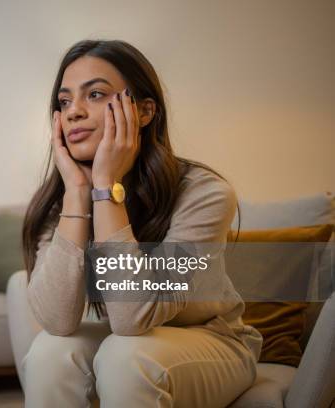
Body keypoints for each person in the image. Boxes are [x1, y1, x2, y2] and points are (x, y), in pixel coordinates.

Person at [20, 39, 263, 408]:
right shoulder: (62, 198)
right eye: (65, 101)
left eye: (96, 94)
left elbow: (133, 317)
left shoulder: (204, 194)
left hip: (214, 342)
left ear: (145, 111)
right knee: (49, 352)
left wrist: (106, 190)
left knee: (127, 358)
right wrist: (78, 194)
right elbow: (57, 320)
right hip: (123, 340)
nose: (73, 112)